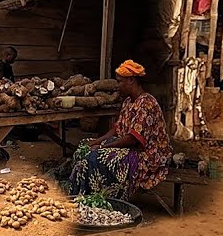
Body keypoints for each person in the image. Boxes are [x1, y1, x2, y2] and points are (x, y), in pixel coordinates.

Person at [66, 60, 172, 199]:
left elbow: (132, 139)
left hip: (148, 156)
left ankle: (97, 195)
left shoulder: (147, 104)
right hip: (130, 147)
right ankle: (80, 191)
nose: (117, 86)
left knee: (95, 157)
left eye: (120, 82)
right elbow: (117, 129)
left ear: (131, 80)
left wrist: (104, 147)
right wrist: (96, 141)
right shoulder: (128, 101)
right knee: (84, 146)